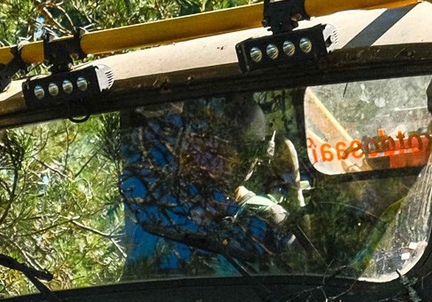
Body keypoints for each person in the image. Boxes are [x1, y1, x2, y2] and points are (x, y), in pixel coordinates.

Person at [111, 95, 295, 278]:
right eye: (195, 142)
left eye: (218, 151)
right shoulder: (152, 205)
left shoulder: (266, 222)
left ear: (244, 163)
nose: (198, 157)